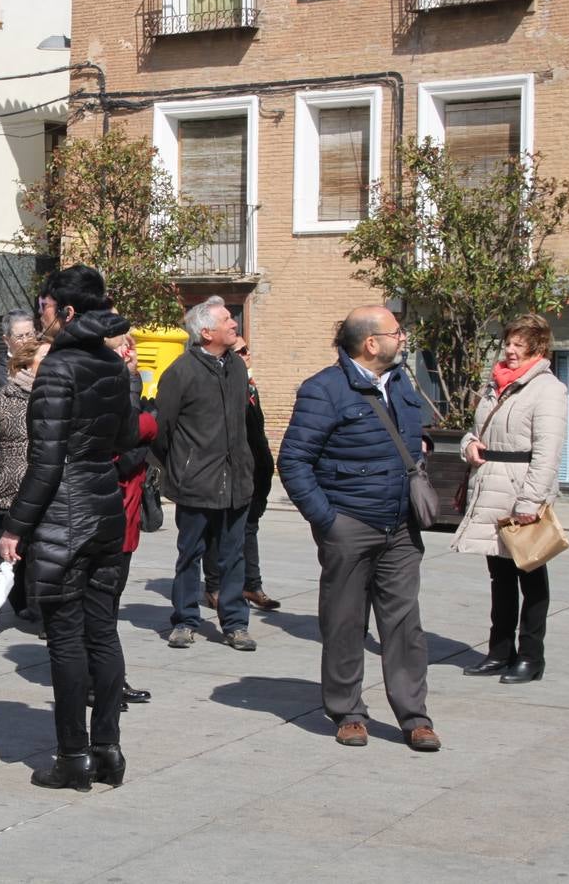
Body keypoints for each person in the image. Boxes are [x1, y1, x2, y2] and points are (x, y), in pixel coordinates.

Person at [278, 306, 440, 752]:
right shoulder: (323, 390)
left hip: (401, 527)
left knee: (405, 625)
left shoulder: (402, 384)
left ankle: (414, 717)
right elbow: (293, 461)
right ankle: (347, 711)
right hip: (350, 524)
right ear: (371, 343)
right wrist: (328, 521)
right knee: (345, 622)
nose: (402, 338)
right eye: (396, 332)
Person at [0, 265, 136, 791]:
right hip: (103, 508)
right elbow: (126, 441)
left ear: (69, 311)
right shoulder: (115, 366)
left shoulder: (58, 370)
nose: (41, 316)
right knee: (102, 631)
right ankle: (108, 750)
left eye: (46, 307)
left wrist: (15, 526)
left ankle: (73, 757)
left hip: (65, 513)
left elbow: (47, 462)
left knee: (65, 640)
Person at [452, 314, 568, 685]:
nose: (510, 350)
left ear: (538, 347)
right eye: (509, 343)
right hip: (489, 489)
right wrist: (468, 446)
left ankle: (531, 657)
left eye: (519, 344)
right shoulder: (496, 383)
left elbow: (548, 452)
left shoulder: (548, 389)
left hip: (521, 492)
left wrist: (530, 503)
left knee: (531, 577)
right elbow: (475, 430)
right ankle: (500, 651)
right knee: (499, 577)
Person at [152, 296, 257, 652]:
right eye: (226, 319)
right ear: (206, 331)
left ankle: (235, 623)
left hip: (237, 481)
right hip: (195, 482)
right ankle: (184, 620)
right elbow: (161, 429)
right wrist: (181, 467)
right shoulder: (181, 372)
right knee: (190, 554)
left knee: (232, 556)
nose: (234, 323)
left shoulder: (238, 368)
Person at [0, 337, 48, 642]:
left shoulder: (58, 398)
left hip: (45, 491)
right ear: (28, 362)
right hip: (7, 490)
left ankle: (42, 616)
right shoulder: (2, 398)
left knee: (42, 557)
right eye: (45, 358)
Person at [202, 335, 280, 613]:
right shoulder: (219, 385)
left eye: (248, 349)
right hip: (226, 470)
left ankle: (252, 584)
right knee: (215, 530)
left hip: (255, 470)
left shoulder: (249, 386)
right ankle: (214, 587)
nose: (248, 354)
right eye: (241, 350)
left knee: (249, 527)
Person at [107, 332, 155, 706]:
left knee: (109, 605)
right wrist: (147, 429)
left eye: (132, 345)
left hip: (126, 516)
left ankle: (111, 680)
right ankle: (103, 683)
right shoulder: (103, 392)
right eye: (123, 345)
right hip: (105, 514)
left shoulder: (127, 386)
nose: (131, 351)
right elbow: (122, 450)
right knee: (101, 607)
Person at [0, 308, 37, 402]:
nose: (26, 341)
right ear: (6, 340)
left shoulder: (45, 363)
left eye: (29, 335)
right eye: (19, 337)